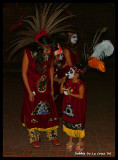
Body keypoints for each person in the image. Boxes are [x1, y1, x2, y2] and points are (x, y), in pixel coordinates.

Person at [8, 3, 74, 147]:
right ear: (39, 46)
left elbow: (50, 68)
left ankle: (52, 134)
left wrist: (51, 87)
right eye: (45, 49)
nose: (48, 51)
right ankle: (34, 137)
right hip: (32, 87)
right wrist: (28, 90)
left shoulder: (49, 53)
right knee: (33, 111)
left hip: (46, 88)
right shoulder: (28, 54)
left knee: (49, 110)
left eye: (49, 49)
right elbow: (24, 74)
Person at [60, 64, 87, 152]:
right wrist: (62, 82)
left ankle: (80, 142)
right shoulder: (68, 82)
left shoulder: (81, 84)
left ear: (77, 74)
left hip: (77, 107)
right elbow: (61, 91)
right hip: (68, 107)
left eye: (71, 72)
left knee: (78, 123)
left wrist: (70, 93)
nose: (69, 73)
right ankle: (70, 141)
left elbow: (81, 96)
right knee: (69, 122)